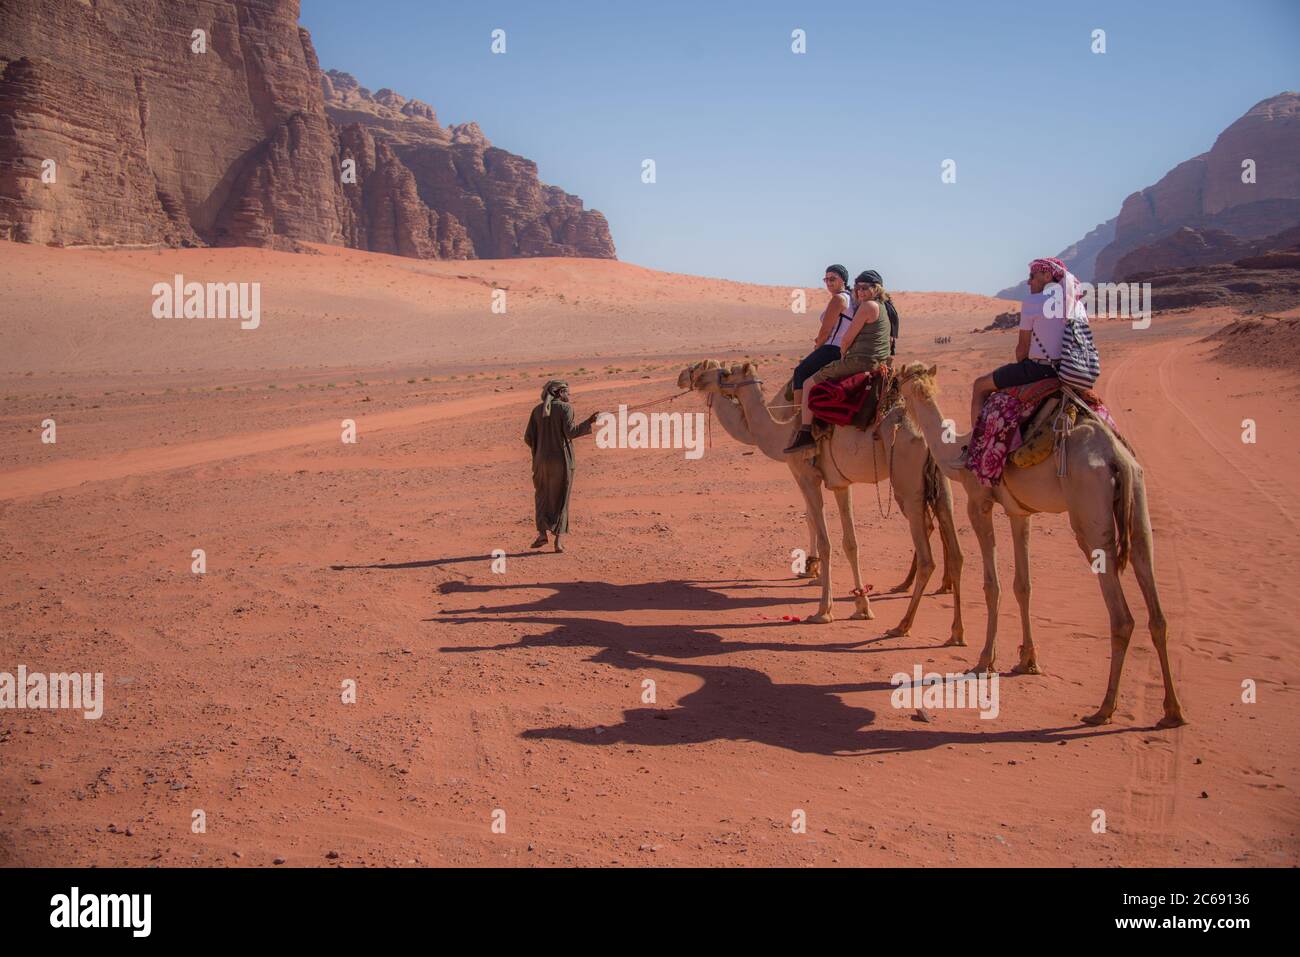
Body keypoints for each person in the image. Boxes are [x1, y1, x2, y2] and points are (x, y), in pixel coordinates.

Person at [784, 269, 894, 453]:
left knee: (807, 381)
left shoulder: (866, 306)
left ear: (876, 288)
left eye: (864, 288)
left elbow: (844, 338)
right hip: (876, 361)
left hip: (856, 359)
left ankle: (804, 431)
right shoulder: (883, 308)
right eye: (858, 288)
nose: (860, 292)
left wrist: (841, 353)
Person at [967, 257, 1082, 428]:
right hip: (1071, 370)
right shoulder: (1076, 304)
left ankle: (976, 443)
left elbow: (1022, 349)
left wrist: (1023, 367)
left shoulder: (1033, 302)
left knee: (979, 385)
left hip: (1039, 370)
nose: (1028, 282)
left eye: (1032, 276)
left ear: (1047, 276)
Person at [524, 380, 599, 553]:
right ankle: (558, 542)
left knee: (542, 496)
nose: (569, 395)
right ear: (560, 393)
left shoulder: (536, 411)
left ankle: (542, 534)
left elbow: (528, 438)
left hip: (541, 462)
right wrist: (590, 421)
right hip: (562, 461)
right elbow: (571, 432)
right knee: (561, 498)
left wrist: (540, 451)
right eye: (568, 392)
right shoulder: (566, 408)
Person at [788, 264, 855, 408]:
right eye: (826, 279)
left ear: (843, 280)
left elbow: (825, 331)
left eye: (833, 279)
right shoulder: (851, 299)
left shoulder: (839, 299)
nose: (829, 282)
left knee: (800, 372)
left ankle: (797, 415)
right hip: (842, 350)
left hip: (831, 348)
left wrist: (817, 348)